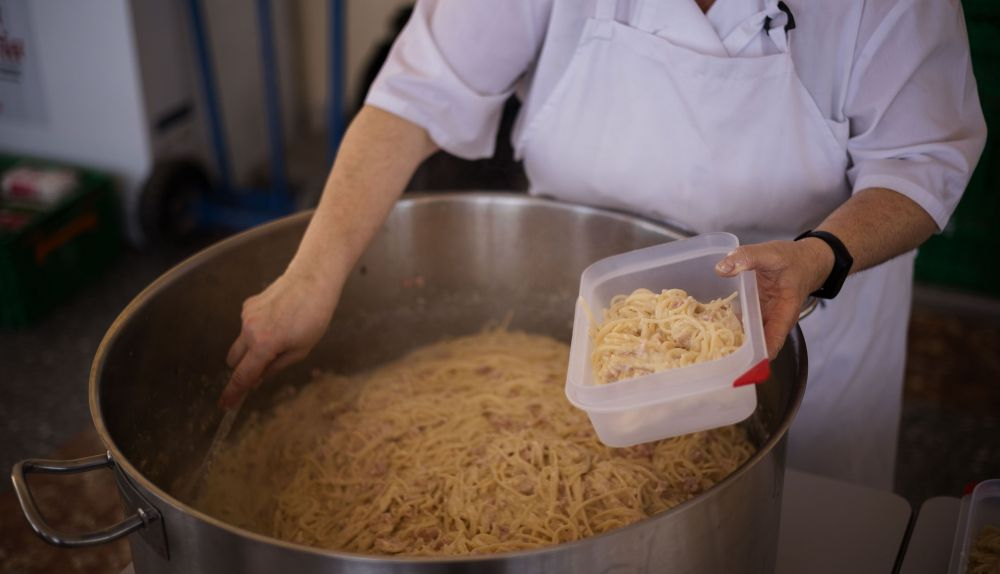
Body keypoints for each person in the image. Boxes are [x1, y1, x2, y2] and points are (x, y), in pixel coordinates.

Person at [221, 0, 986, 490]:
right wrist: (310, 278)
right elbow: (417, 96)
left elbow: (923, 161)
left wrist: (818, 256)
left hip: (807, 327)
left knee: (805, 534)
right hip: (593, 350)